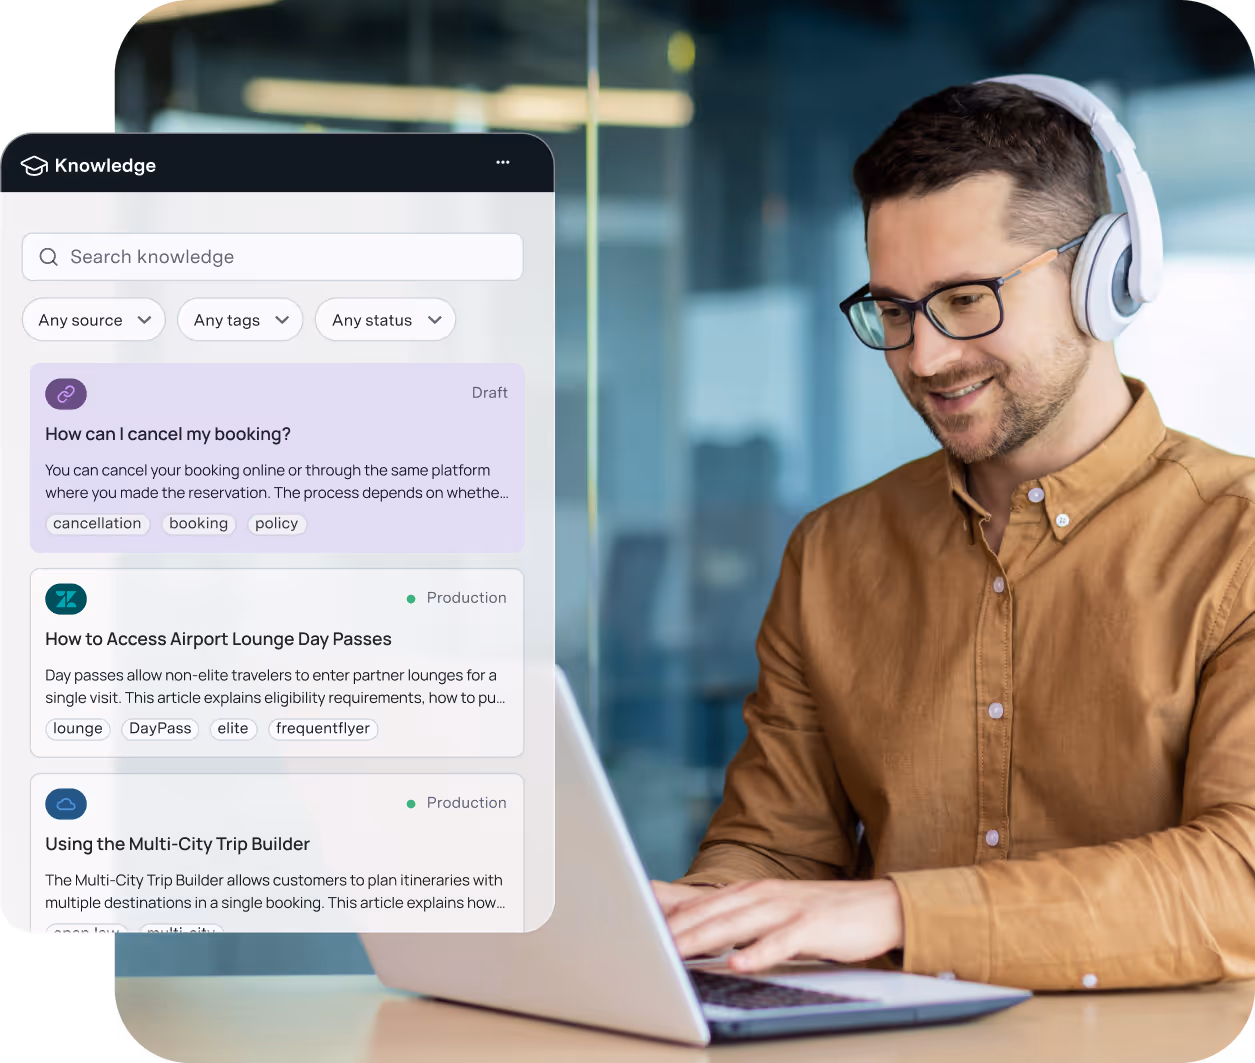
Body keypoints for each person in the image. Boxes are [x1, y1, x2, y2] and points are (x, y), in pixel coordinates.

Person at [651, 79, 1255, 991]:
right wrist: (689, 919)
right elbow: (775, 846)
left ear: (1102, 278)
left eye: (967, 299)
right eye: (893, 310)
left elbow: (1237, 878)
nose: (924, 357)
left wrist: (899, 911)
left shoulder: (1236, 541)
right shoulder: (833, 552)